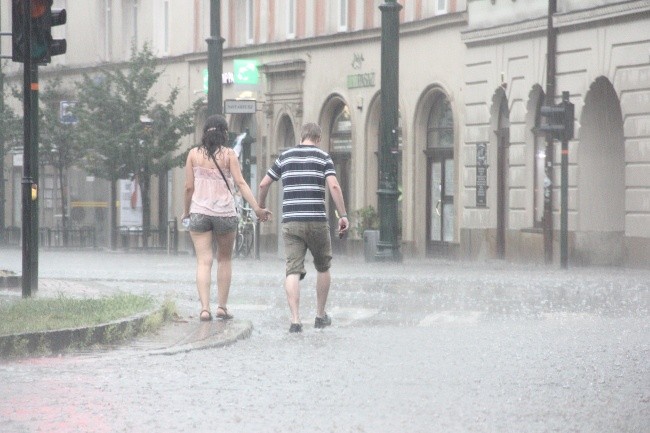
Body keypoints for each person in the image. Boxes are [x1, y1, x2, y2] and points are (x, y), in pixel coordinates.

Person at [258, 122, 349, 333]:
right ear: (318, 138)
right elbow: (334, 186)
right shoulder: (323, 157)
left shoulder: (285, 157)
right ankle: (319, 315)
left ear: (301, 137)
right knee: (323, 266)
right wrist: (343, 215)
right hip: (317, 220)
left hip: (291, 221)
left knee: (292, 270)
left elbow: (264, 184)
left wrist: (261, 207)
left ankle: (296, 320)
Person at [182, 114, 271, 322]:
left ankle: (204, 309)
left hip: (199, 213)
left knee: (204, 262)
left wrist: (186, 211)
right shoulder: (229, 154)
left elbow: (188, 187)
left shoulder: (193, 154)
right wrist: (257, 208)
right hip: (225, 214)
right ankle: (221, 307)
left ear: (204, 133)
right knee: (225, 259)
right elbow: (241, 184)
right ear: (224, 133)